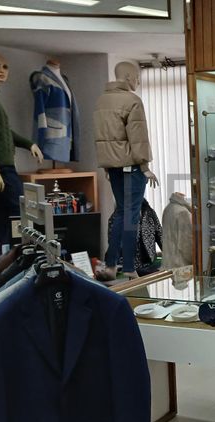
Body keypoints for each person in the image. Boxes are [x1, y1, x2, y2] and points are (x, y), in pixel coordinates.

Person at [0, 53, 44, 259]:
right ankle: (17, 259)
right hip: (1, 167)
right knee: (18, 211)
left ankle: (2, 262)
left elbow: (3, 132)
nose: (1, 70)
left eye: (5, 66)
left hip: (1, 166)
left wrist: (29, 144)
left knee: (2, 216)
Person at [93, 62, 159, 281]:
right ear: (129, 76)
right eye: (137, 77)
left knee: (121, 214)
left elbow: (102, 138)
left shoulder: (101, 101)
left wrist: (107, 165)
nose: (138, 81)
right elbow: (138, 138)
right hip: (131, 167)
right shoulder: (132, 100)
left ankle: (112, 265)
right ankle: (129, 267)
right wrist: (145, 167)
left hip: (112, 167)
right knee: (131, 216)